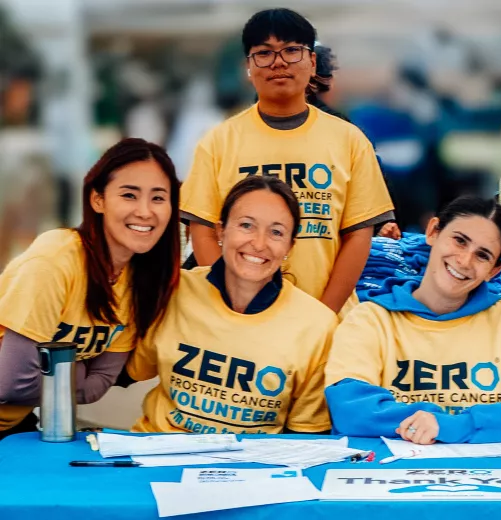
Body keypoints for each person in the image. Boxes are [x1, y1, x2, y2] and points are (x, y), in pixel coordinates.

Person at [181, 8, 394, 314]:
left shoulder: (349, 140)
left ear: (312, 62)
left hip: (326, 321)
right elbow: (201, 230)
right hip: (240, 321)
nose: (278, 62)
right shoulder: (218, 142)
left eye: (292, 51)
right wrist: (234, 306)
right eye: (264, 53)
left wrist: (323, 315)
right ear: (248, 67)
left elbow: (358, 235)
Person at [325, 195, 501, 444]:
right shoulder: (370, 319)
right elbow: (350, 408)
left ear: (494, 271)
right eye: (459, 241)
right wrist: (433, 424)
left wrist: (451, 424)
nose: (464, 261)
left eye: (483, 255)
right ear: (433, 231)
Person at [123, 176, 337, 434]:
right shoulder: (172, 291)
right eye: (246, 225)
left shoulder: (318, 325)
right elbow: (127, 370)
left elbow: (306, 436)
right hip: (155, 455)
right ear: (221, 231)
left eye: (276, 232)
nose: (259, 243)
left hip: (252, 469)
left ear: (290, 246)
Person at [0, 138, 180, 439]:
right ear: (98, 200)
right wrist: (80, 370)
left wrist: (60, 377)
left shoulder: (138, 283)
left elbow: (99, 386)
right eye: (129, 195)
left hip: (15, 427)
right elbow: (10, 383)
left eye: (158, 198)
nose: (146, 211)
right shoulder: (55, 261)